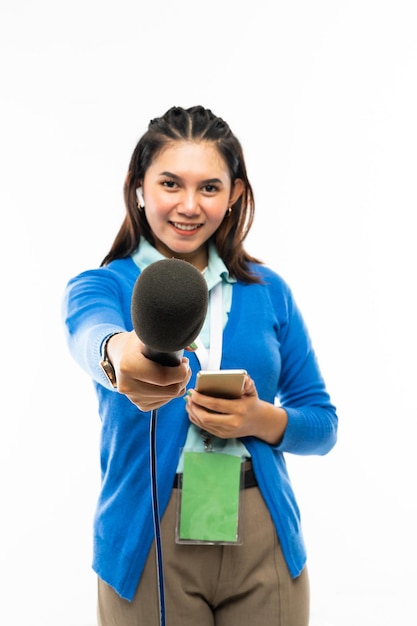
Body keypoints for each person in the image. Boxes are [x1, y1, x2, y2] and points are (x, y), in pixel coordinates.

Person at [62, 105, 338, 626]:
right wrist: (122, 357)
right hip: (150, 531)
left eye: (209, 188)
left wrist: (262, 420)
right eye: (170, 183)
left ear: (234, 194)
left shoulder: (270, 292)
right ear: (139, 186)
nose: (189, 206)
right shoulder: (101, 287)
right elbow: (94, 338)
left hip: (262, 529)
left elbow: (322, 424)